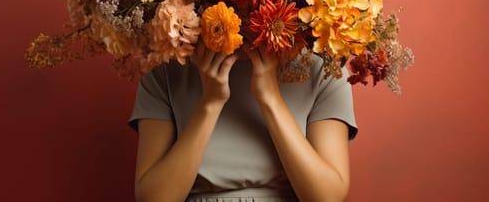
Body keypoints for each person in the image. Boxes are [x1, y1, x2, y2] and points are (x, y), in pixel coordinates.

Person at [128, 41, 358, 202]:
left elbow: (328, 197)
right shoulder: (166, 70)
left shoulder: (323, 70)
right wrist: (211, 102)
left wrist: (270, 99)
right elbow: (154, 197)